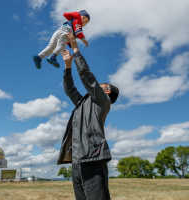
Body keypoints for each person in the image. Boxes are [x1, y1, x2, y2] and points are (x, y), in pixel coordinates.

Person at [57, 33, 119, 200]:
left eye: (102, 85)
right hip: (77, 162)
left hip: (93, 158)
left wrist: (76, 48)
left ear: (107, 91)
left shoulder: (103, 100)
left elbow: (85, 75)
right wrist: (67, 66)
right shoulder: (84, 102)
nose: (98, 84)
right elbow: (70, 89)